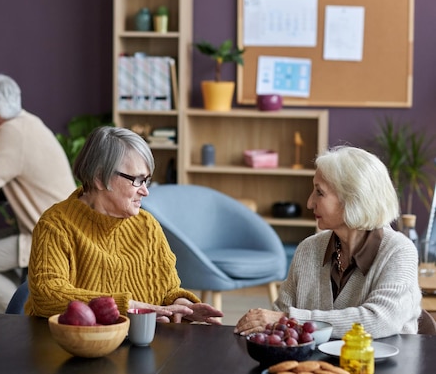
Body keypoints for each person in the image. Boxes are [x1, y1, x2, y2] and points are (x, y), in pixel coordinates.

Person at [24, 126, 224, 324]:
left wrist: (181, 306)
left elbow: (168, 290)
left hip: (138, 344)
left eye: (147, 180)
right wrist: (127, 306)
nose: (145, 191)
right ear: (100, 178)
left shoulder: (147, 226)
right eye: (137, 180)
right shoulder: (55, 225)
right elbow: (47, 296)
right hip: (70, 346)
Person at [235, 146, 422, 339]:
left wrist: (291, 319)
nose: (309, 202)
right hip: (316, 367)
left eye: (319, 192)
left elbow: (380, 320)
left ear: (353, 198)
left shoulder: (399, 251)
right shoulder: (308, 249)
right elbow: (277, 322)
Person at [0, 73, 76, 311]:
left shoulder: (12, 133)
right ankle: (28, 300)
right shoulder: (26, 122)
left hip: (50, 238)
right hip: (55, 229)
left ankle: (27, 312)